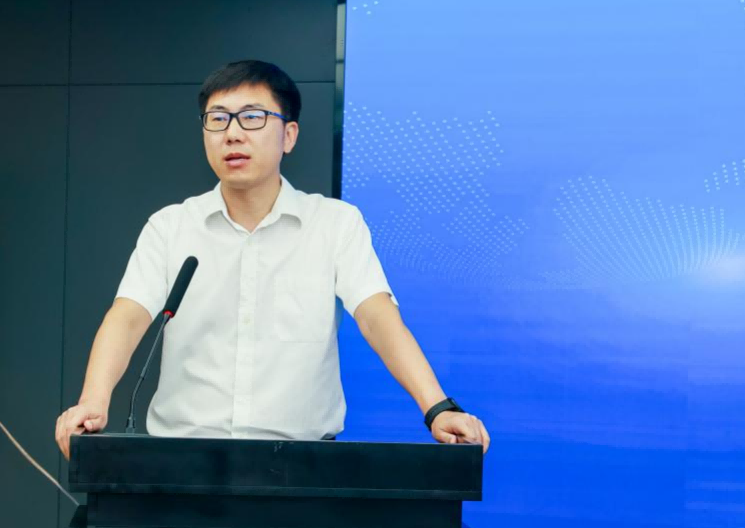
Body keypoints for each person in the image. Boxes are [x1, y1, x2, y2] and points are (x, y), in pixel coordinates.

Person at [55, 60, 489, 459]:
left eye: (252, 117)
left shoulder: (334, 223)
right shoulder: (171, 226)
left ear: (289, 135)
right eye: (218, 119)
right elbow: (128, 317)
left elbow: (376, 316)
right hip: (181, 462)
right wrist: (93, 401)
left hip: (303, 466)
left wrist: (437, 408)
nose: (232, 134)